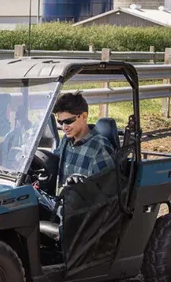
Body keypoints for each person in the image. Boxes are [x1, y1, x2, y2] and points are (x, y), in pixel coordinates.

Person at [38, 92, 116, 220]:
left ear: (84, 116)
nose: (64, 127)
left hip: (82, 216)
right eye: (60, 122)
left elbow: (106, 192)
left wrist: (83, 184)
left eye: (68, 121)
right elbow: (53, 162)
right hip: (61, 206)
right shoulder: (66, 141)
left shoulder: (99, 147)